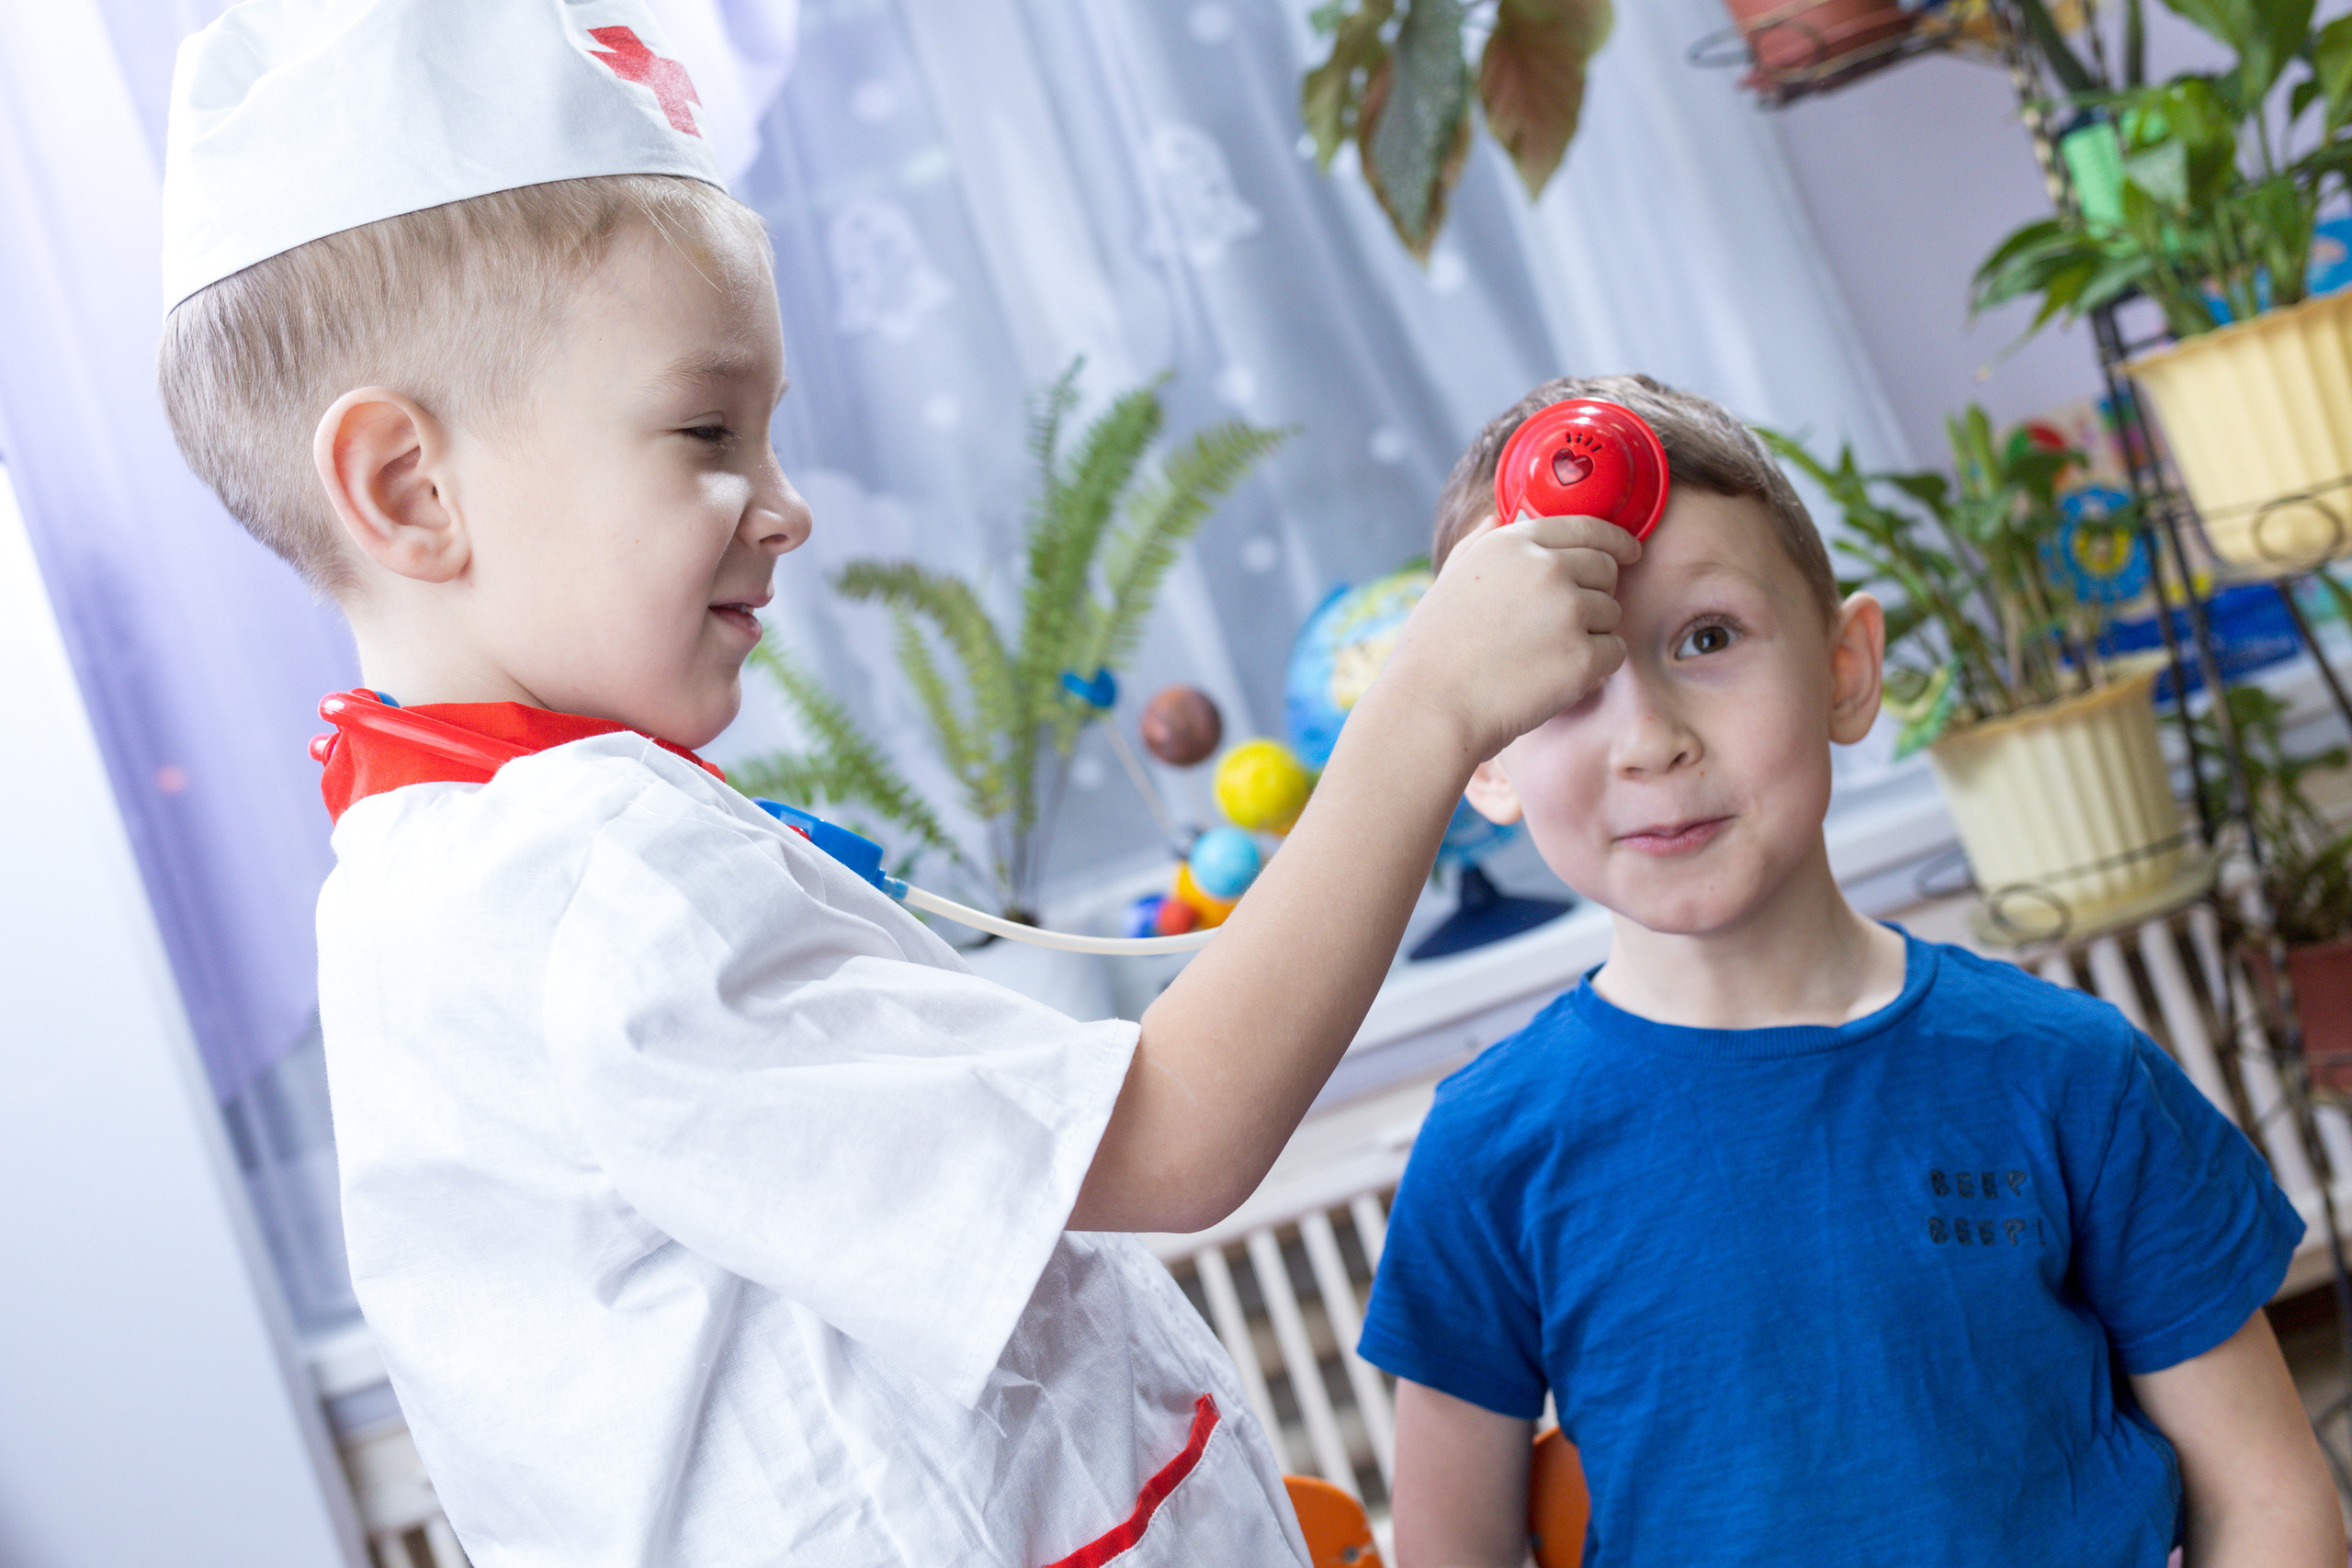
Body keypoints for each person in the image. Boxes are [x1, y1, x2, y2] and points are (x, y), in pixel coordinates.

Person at [153, 4, 1639, 1563]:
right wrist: (1424, 704)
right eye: (703, 429)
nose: (783, 505)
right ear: (408, 488)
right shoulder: (599, 887)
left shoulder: (460, 862)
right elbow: (1177, 1136)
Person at [1357, 374, 2345, 1568]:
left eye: (1707, 638)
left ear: (1845, 667)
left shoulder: (2074, 1076)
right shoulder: (1485, 1154)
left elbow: (2270, 1504)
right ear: (1485, 759)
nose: (1650, 737)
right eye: (1569, 681)